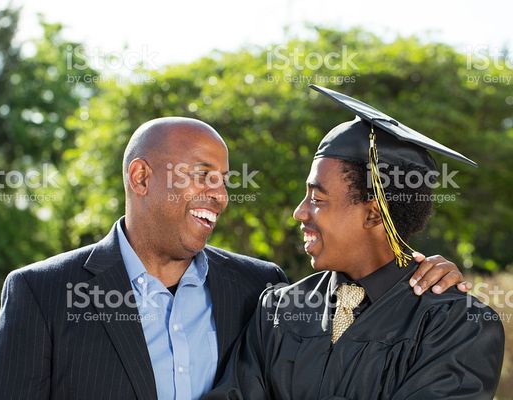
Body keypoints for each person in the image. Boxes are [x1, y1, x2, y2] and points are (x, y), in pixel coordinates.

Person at [0, 117, 470, 400]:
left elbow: (366, 287)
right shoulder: (43, 294)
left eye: (224, 181)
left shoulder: (259, 292)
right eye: (202, 175)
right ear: (142, 178)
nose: (219, 195)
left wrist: (412, 268)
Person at [205, 86, 505, 400]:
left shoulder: (457, 324)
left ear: (374, 214)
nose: (299, 212)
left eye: (317, 199)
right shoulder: (279, 308)